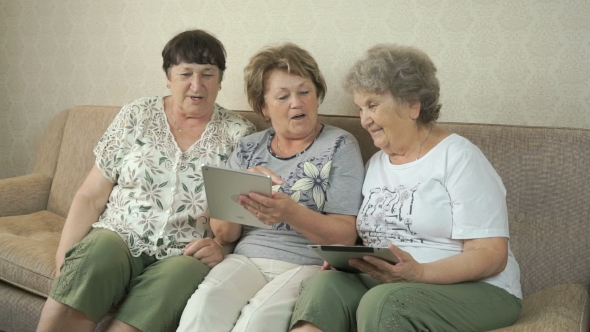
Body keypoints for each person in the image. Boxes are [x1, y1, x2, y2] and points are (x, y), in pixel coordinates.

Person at [290, 44, 522, 332]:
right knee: (324, 285)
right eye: (360, 108)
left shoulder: (459, 157)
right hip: (393, 282)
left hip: (478, 290)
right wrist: (350, 261)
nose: (364, 119)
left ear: (413, 104)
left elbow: (492, 255)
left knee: (385, 302)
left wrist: (420, 272)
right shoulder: (376, 163)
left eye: (373, 105)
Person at [36, 29, 255, 332]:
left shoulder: (239, 134)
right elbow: (91, 196)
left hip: (186, 250)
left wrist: (223, 249)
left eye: (208, 74)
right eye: (185, 74)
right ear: (168, 77)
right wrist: (66, 258)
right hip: (119, 234)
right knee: (94, 259)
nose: (197, 85)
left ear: (220, 79)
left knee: (177, 279)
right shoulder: (136, 115)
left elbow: (241, 220)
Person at [177, 43, 365, 332]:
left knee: (255, 322)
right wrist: (242, 188)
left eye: (305, 92)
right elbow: (224, 233)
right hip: (246, 258)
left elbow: (345, 235)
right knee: (204, 307)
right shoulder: (249, 148)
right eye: (283, 96)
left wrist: (289, 211)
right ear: (264, 107)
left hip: (305, 263)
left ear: (317, 96)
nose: (297, 103)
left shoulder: (340, 144)